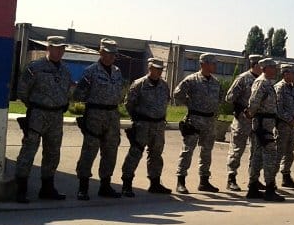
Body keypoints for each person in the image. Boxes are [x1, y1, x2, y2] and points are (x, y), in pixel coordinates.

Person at [14, 36, 73, 203]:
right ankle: (21, 189)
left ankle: (47, 188)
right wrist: (34, 106)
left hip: (56, 117)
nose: (59, 51)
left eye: (62, 48)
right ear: (49, 47)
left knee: (53, 153)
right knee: (28, 151)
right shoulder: (35, 67)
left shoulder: (65, 70)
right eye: (56, 48)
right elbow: (22, 91)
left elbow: (67, 91)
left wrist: (63, 103)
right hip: (37, 115)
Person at [73, 38, 124, 200]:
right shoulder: (91, 71)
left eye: (113, 54)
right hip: (95, 115)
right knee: (89, 150)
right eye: (107, 53)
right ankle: (83, 187)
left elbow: (119, 92)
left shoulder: (117, 72)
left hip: (112, 116)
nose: (110, 57)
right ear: (101, 52)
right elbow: (79, 94)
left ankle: (105, 185)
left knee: (110, 151)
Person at [120, 57, 171, 197]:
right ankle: (127, 183)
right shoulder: (139, 84)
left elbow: (166, 101)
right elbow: (128, 103)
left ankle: (155, 183)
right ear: (150, 68)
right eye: (156, 68)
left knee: (156, 154)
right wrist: (137, 119)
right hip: (143, 124)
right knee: (135, 153)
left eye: (161, 69)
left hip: (159, 125)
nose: (159, 71)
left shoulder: (164, 85)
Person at [173, 53, 221, 194]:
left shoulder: (215, 82)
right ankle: (181, 181)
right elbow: (178, 94)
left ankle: (204, 181)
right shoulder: (192, 80)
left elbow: (220, 98)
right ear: (204, 64)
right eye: (212, 63)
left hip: (209, 121)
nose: (215, 66)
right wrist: (189, 103)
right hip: (194, 120)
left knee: (206, 152)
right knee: (188, 150)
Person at [247, 58, 284, 201]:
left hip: (266, 123)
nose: (276, 70)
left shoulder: (268, 83)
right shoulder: (261, 83)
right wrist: (252, 116)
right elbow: (253, 103)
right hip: (262, 124)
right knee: (270, 156)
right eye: (273, 67)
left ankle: (253, 188)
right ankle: (269, 189)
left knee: (257, 157)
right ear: (265, 68)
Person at [224, 54, 263, 192]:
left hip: (257, 121)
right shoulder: (243, 78)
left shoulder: (262, 80)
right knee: (237, 149)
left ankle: (254, 179)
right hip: (243, 120)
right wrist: (241, 109)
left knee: (256, 151)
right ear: (255, 65)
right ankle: (231, 178)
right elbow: (229, 97)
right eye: (261, 65)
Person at [275, 64, 294, 189]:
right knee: (278, 153)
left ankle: (286, 176)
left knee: (289, 154)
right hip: (282, 126)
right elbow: (278, 108)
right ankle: (271, 180)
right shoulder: (279, 88)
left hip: (292, 126)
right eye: (291, 73)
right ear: (285, 74)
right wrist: (290, 119)